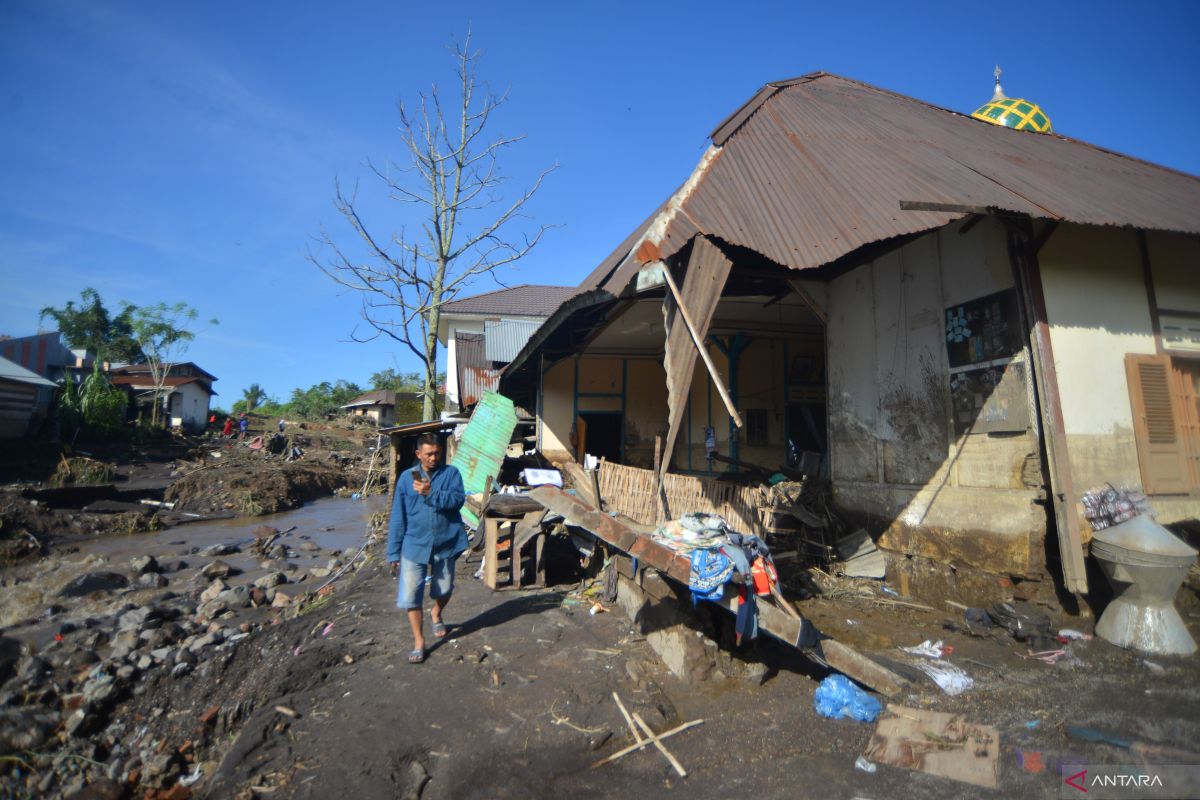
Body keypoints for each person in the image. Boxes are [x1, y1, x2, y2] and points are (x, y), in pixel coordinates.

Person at [386, 433, 466, 664]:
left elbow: (457, 501)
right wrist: (393, 551)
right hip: (414, 543)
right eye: (429, 454)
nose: (433, 457)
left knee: (444, 589)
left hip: (445, 542)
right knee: (411, 595)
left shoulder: (451, 474)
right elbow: (398, 517)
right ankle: (419, 641)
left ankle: (436, 612)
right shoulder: (405, 480)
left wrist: (431, 493)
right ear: (418, 454)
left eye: (437, 453)